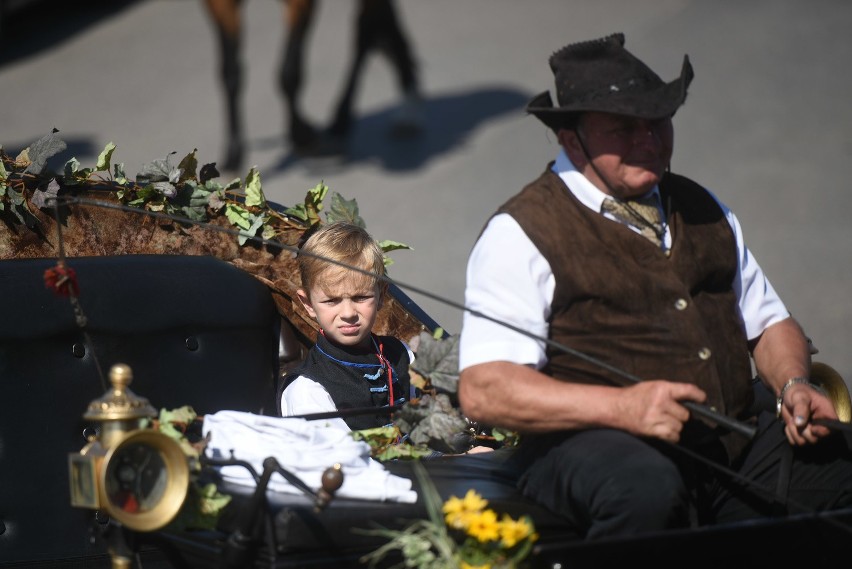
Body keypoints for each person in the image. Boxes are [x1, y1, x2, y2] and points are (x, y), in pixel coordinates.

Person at [457, 33, 852, 539]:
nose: (647, 140)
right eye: (622, 128)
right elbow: (485, 390)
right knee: (644, 490)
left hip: (731, 437)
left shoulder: (702, 206)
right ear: (571, 139)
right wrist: (622, 408)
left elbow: (770, 321)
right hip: (591, 449)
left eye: (657, 122)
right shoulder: (521, 231)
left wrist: (794, 383)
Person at [277, 221, 413, 432]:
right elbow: (345, 462)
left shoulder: (402, 354)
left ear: (381, 295)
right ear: (308, 304)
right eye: (331, 301)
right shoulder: (307, 389)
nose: (348, 314)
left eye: (361, 297)